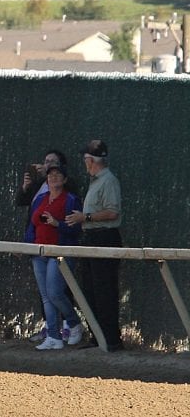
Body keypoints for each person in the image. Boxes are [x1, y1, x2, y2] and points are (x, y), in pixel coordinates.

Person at [66, 139, 123, 352]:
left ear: (90, 161)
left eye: (85, 159)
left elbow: (113, 212)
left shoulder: (109, 181)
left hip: (104, 237)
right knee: (91, 290)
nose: (84, 163)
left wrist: (85, 217)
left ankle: (110, 339)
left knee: (104, 290)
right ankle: (98, 337)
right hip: (92, 238)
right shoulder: (97, 181)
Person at [26, 165, 84, 350]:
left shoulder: (71, 200)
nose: (54, 178)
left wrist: (56, 223)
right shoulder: (40, 199)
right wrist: (26, 245)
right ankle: (53, 336)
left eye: (58, 175)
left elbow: (75, 230)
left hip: (59, 252)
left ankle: (73, 322)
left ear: (65, 180)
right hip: (39, 252)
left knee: (54, 292)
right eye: (50, 175)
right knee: (46, 296)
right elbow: (32, 225)